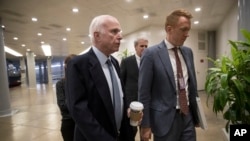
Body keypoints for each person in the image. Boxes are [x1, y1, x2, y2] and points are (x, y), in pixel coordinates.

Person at [65, 15, 134, 141]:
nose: (120, 36)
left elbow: (119, 96)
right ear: (97, 36)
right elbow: (79, 110)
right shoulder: (78, 65)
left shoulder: (114, 62)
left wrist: (128, 110)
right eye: (114, 31)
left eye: (120, 32)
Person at [138, 9, 200, 141]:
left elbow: (192, 85)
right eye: (183, 29)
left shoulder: (188, 52)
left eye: (188, 30)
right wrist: (145, 125)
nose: (187, 34)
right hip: (164, 121)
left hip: (187, 116)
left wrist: (197, 114)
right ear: (169, 29)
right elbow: (144, 93)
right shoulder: (151, 54)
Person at [120, 37, 148, 141]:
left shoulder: (149, 61)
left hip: (145, 103)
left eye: (146, 46)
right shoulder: (127, 61)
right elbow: (121, 84)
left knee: (145, 132)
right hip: (131, 104)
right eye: (141, 46)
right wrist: (126, 105)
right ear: (135, 47)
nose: (144, 48)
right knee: (130, 132)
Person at [56, 54, 77, 141]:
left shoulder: (84, 83)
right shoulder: (61, 84)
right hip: (69, 123)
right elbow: (62, 105)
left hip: (84, 124)